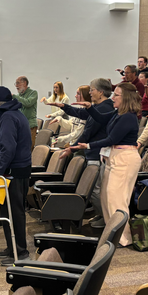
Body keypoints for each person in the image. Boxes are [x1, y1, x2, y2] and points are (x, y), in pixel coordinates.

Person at [68, 83, 141, 244]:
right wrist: (89, 107)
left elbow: (112, 139)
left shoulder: (129, 116)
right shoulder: (118, 113)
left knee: (117, 199)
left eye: (116, 95)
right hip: (115, 157)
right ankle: (112, 233)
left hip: (125, 159)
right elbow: (101, 118)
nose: (113, 97)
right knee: (106, 197)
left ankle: (123, 238)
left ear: (126, 98)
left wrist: (88, 145)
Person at [52, 78, 115, 228]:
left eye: (92, 90)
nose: (90, 93)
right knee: (95, 189)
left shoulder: (105, 107)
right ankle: (101, 215)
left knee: (96, 189)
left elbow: (88, 132)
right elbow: (82, 114)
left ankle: (107, 219)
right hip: (92, 152)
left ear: (100, 92)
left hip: (97, 153)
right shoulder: (99, 107)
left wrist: (72, 148)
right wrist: (64, 107)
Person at [0, 86, 32, 265]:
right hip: (17, 169)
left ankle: (20, 252)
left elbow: (8, 148)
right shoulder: (16, 114)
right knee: (9, 212)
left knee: (14, 213)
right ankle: (12, 247)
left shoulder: (7, 117)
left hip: (14, 172)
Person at [13, 76, 38, 148]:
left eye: (18, 83)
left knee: (28, 148)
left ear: (25, 83)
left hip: (30, 125)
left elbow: (28, 103)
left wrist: (15, 97)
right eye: (15, 83)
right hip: (20, 126)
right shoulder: (18, 96)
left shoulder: (33, 93)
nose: (16, 86)